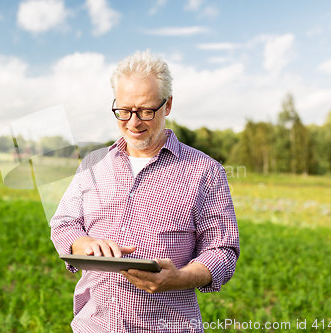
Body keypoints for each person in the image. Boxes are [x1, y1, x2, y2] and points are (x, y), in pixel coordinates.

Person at [50, 50, 240, 333]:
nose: (134, 122)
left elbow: (223, 251)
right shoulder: (92, 163)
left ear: (168, 105)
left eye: (146, 111)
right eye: (124, 111)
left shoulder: (205, 171)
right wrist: (81, 243)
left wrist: (179, 278)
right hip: (92, 326)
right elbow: (63, 223)